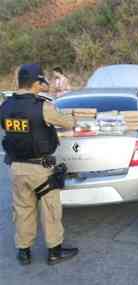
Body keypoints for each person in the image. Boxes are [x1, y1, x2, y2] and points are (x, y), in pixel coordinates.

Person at [0, 64, 79, 266]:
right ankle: (54, 251)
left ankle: (23, 252)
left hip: (16, 167)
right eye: (41, 82)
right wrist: (73, 117)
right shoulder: (42, 106)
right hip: (40, 168)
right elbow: (67, 123)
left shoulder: (5, 106)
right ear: (36, 83)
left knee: (22, 209)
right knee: (50, 209)